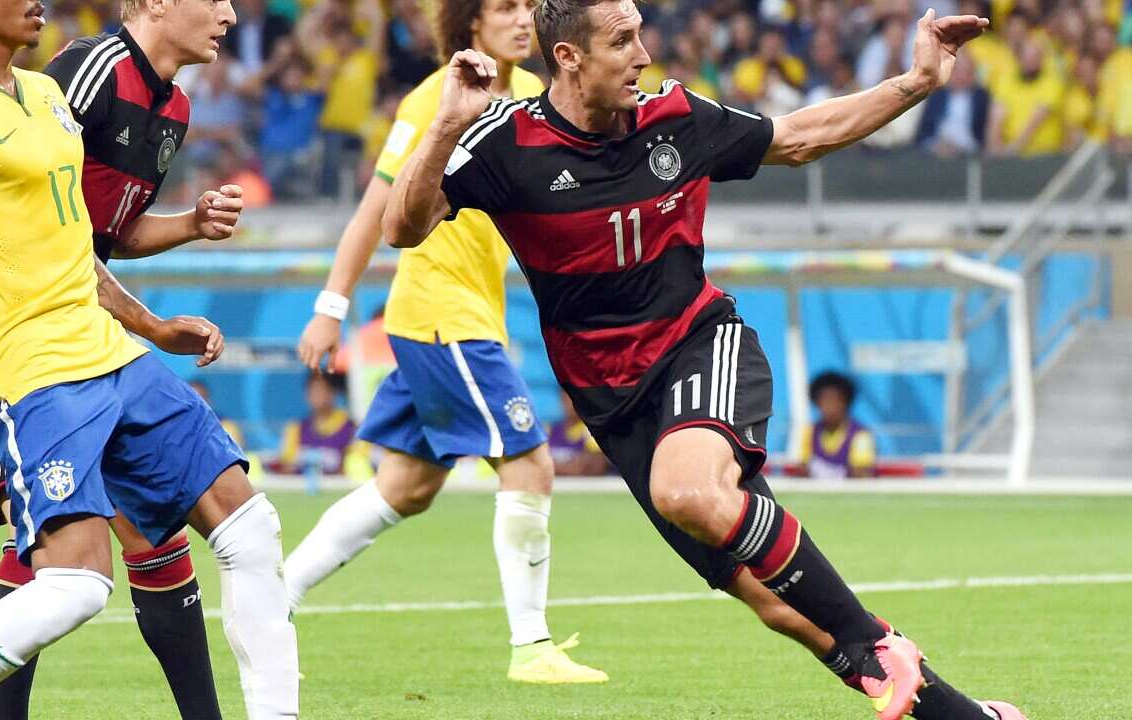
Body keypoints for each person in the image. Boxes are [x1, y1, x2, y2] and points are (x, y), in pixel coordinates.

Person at [380, 2, 1026, 718]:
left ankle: (875, 642)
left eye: (640, 34)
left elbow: (799, 137)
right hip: (613, 405)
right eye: (622, 40)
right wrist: (444, 125)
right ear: (568, 57)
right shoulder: (505, 141)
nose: (642, 55)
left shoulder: (675, 118)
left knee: (687, 491)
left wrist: (917, 81)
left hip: (699, 346)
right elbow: (401, 228)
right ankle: (967, 716)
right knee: (779, 604)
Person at [0, 0, 299, 714]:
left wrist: (152, 327)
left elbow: (81, 244)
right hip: (29, 368)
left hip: (109, 351)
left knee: (250, 528)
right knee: (75, 585)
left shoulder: (44, 94)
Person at [291, 0, 607, 685]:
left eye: (527, 6)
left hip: (471, 314)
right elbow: (377, 210)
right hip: (440, 311)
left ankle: (271, 599)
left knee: (405, 487)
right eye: (504, 7)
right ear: (470, 24)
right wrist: (330, 308)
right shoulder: (435, 98)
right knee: (530, 465)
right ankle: (531, 648)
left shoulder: (537, 91)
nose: (522, 19)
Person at [272, 373, 369, 476]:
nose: (317, 395)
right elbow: (286, 467)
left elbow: (357, 468)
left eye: (322, 389)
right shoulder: (296, 429)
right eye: (313, 390)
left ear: (333, 392)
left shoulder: (352, 429)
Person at [793, 372, 876, 479]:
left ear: (846, 403)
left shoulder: (860, 435)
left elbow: (861, 476)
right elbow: (802, 470)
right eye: (825, 401)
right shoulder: (810, 432)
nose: (830, 408)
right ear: (817, 403)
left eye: (835, 401)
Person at [546, 390, 610, 477]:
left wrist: (552, 467)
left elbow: (594, 467)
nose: (569, 402)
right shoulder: (551, 430)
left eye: (573, 397)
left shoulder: (592, 430)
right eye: (566, 397)